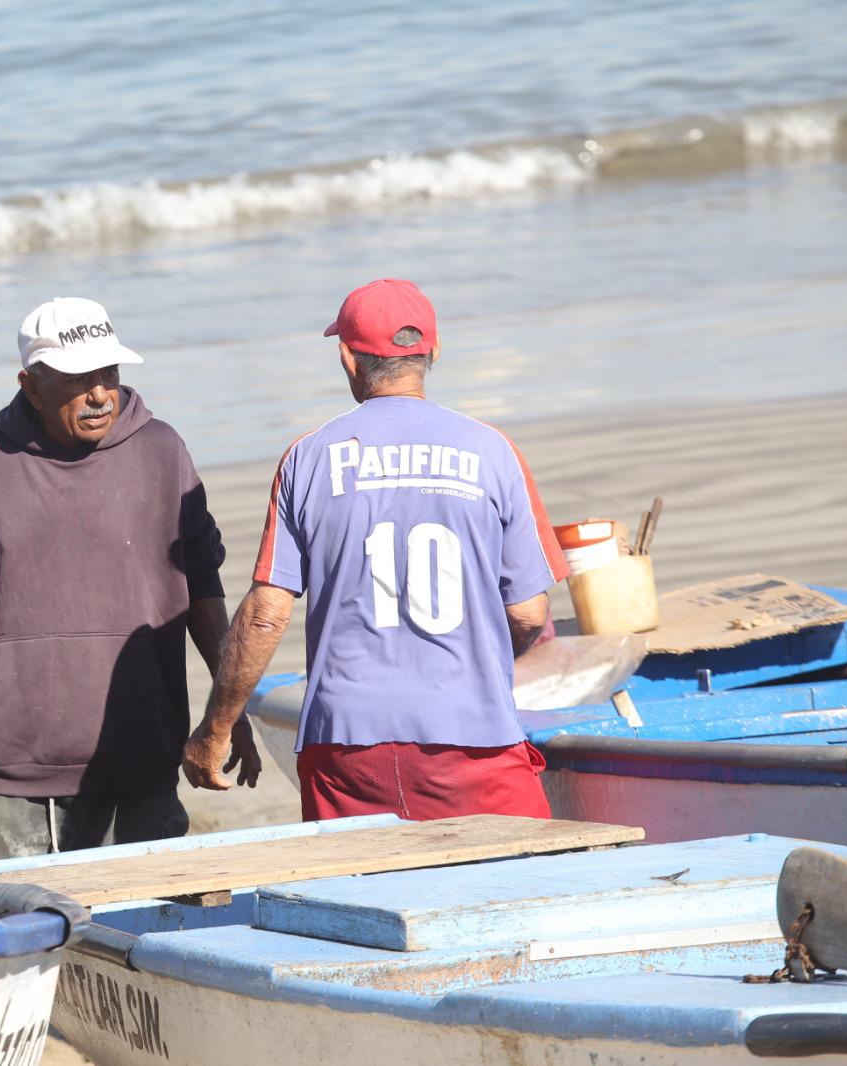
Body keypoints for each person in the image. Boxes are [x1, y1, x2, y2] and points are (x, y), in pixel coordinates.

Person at [0, 296, 261, 861]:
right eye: (80, 379)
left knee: (132, 946)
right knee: (22, 947)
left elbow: (203, 591)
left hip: (141, 753)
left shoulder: (161, 452)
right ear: (31, 385)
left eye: (110, 374)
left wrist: (231, 709)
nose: (101, 393)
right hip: (17, 763)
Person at [183, 279, 569, 821]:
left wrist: (217, 727)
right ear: (433, 352)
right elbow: (527, 613)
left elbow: (267, 616)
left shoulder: (308, 457)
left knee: (357, 899)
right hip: (473, 738)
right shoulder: (493, 451)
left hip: (345, 748)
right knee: (516, 894)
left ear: (346, 357)